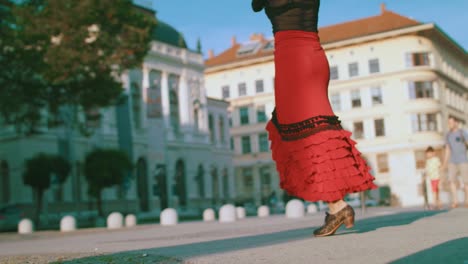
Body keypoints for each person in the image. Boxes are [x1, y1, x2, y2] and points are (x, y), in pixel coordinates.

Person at [252, 0, 377, 237]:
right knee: (318, 131)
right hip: (316, 57)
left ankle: (338, 206)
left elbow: (256, 5)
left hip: (293, 61)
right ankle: (335, 207)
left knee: (301, 135)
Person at [442, 116, 468, 208]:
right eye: (449, 123)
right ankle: (455, 201)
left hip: (463, 160)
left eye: (451, 122)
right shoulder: (448, 135)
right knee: (451, 181)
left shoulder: (462, 133)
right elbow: (447, 150)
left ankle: (467, 200)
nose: (450, 124)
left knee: (466, 181)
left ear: (456, 123)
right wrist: (444, 164)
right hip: (452, 161)